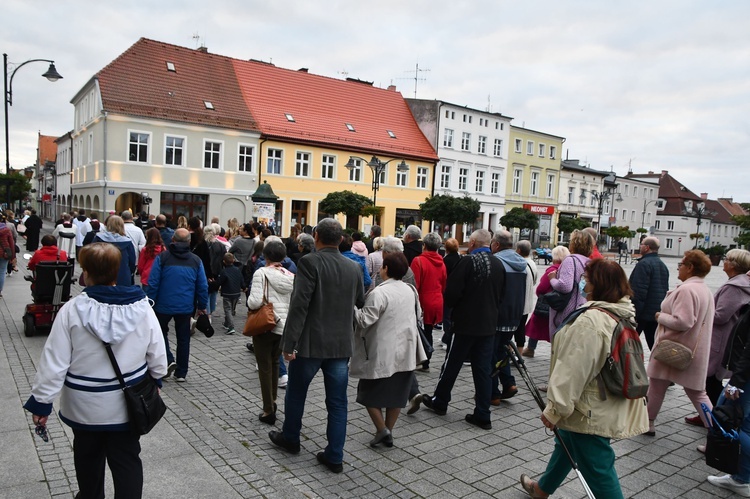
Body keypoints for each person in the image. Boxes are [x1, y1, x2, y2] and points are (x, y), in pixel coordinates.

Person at [23, 242, 167, 499]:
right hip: (127, 405)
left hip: (84, 406)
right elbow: (157, 352)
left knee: (87, 460)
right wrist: (156, 377)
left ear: (86, 272)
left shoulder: (72, 310)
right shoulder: (142, 308)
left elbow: (54, 361)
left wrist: (41, 403)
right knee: (127, 461)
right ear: (117, 271)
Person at [519, 259, 649, 499]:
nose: (583, 283)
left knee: (599, 469)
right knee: (567, 441)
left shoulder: (592, 321)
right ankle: (542, 489)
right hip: (600, 399)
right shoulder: (619, 312)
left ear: (598, 285)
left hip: (590, 407)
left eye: (586, 280)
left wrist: (555, 409)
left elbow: (573, 370)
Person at [268, 218, 365, 474]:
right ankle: (335, 455)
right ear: (341, 239)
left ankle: (291, 438)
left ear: (317, 235)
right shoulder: (354, 267)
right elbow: (360, 300)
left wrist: (288, 343)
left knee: (297, 393)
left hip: (310, 344)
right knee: (337, 402)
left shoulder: (310, 262)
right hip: (340, 345)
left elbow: (299, 306)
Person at [421, 229, 505, 430]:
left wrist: (454, 311)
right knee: (483, 369)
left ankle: (440, 401)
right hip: (488, 325)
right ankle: (483, 414)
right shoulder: (499, 264)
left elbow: (451, 293)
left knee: (452, 363)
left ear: (474, 242)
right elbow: (502, 295)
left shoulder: (467, 262)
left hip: (466, 323)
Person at [352, 252, 426, 447]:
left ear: (386, 269)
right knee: (398, 394)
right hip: (405, 349)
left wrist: (352, 307)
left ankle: (382, 430)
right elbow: (418, 314)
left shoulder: (379, 292)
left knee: (367, 392)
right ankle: (388, 431)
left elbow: (364, 319)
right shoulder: (410, 289)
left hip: (381, 350)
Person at [645, 249, 716, 436]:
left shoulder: (687, 289)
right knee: (695, 393)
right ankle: (717, 433)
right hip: (692, 349)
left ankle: (649, 422)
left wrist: (661, 316)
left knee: (658, 386)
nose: (679, 267)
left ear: (690, 267)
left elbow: (683, 322)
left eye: (681, 264)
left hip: (674, 347)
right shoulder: (704, 289)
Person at [685, 249, 750, 426]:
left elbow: (721, 315)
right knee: (710, 380)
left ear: (734, 265)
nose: (724, 261)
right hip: (723, 337)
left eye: (727, 259)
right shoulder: (739, 283)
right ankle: (708, 415)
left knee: (711, 380)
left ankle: (715, 419)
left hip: (719, 339)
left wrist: (701, 313)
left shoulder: (734, 287)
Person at [147, 228, 209, 382]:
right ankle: (181, 372)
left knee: (161, 334)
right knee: (183, 338)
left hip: (163, 305)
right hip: (185, 306)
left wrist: (150, 302)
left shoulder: (163, 258)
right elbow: (202, 286)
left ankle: (168, 360)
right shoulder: (195, 261)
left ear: (172, 240)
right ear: (189, 242)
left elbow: (153, 282)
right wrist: (202, 306)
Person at [247, 240, 295, 424]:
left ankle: (268, 409)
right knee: (275, 363)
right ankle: (273, 401)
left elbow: (254, 302)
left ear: (265, 256)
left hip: (265, 325)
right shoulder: (291, 275)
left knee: (264, 367)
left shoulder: (261, 273)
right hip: (283, 325)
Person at [707, 302, 750, 496]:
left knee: (734, 421)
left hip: (746, 379)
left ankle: (741, 479)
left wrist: (737, 382)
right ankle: (741, 477)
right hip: (744, 377)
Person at [489, 230, 527, 403]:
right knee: (502, 351)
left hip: (497, 315)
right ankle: (509, 383)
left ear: (496, 244)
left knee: (490, 354)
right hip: (514, 316)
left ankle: (493, 393)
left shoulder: (497, 262)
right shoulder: (522, 263)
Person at [524, 246, 570, 357]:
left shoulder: (552, 269)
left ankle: (530, 348)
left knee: (536, 324)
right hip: (561, 304)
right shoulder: (567, 270)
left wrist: (540, 295)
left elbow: (542, 288)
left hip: (548, 303)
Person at [410, 232, 447, 372]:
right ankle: (426, 360)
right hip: (437, 300)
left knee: (421, 332)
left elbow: (415, 285)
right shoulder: (441, 262)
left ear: (424, 245)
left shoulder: (418, 261)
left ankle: (423, 359)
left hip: (424, 301)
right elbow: (444, 283)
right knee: (429, 331)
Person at [629, 236, 670, 350]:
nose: (640, 246)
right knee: (655, 346)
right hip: (656, 312)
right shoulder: (662, 265)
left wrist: (633, 312)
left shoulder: (643, 264)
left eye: (641, 244)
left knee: (629, 344)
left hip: (642, 313)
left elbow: (638, 291)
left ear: (647, 247)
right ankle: (659, 367)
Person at [548, 230, 592, 332]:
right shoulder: (589, 262)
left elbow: (565, 286)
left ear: (574, 243)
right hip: (583, 308)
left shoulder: (570, 260)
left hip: (568, 312)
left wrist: (552, 279)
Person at [94, 215, 137, 286]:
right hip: (123, 276)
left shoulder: (99, 239)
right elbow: (132, 261)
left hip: (101, 275)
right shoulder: (127, 242)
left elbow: (91, 256)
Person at [515, 240, 539, 351]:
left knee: (513, 329)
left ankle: (512, 354)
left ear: (518, 250)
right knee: (521, 329)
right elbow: (534, 282)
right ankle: (519, 354)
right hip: (527, 303)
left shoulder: (519, 264)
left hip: (517, 302)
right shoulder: (533, 264)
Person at [217, 253, 243, 335]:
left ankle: (231, 326)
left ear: (224, 261)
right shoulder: (237, 270)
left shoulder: (224, 271)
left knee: (227, 309)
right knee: (231, 309)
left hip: (227, 293)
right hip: (236, 293)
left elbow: (219, 281)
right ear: (234, 260)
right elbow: (241, 279)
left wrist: (214, 284)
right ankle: (226, 323)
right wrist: (244, 287)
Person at [137, 228, 166, 292]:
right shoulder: (163, 249)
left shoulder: (145, 250)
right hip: (159, 276)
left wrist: (142, 274)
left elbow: (140, 266)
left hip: (147, 276)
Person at [0, 214, 17, 297]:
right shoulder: (6, 230)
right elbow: (11, 243)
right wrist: (13, 256)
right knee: (2, 271)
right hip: (4, 253)